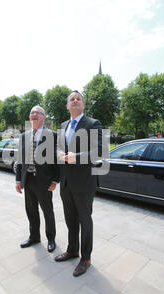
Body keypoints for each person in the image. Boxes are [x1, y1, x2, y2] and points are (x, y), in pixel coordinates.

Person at [54, 90, 102, 277]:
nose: (75, 101)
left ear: (82, 105)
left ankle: (85, 258)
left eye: (78, 99)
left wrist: (77, 157)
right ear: (67, 106)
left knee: (85, 221)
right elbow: (60, 147)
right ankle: (72, 250)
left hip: (84, 183)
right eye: (71, 99)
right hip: (66, 182)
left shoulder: (92, 123)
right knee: (70, 220)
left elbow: (98, 151)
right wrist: (58, 153)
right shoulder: (63, 125)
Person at [15, 106, 59, 253]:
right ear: (29, 117)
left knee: (48, 211)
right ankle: (34, 237)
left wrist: (55, 180)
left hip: (44, 181)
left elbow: (56, 160)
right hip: (28, 180)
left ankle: (51, 239)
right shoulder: (23, 136)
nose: (34, 114)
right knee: (31, 210)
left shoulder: (52, 135)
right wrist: (18, 180)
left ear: (44, 117)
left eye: (38, 113)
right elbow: (20, 158)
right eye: (32, 113)